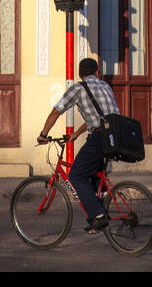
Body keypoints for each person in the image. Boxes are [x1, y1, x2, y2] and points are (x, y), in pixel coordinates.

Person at [38, 57, 120, 233]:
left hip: (99, 138)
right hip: (114, 137)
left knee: (76, 176)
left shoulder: (78, 88)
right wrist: (75, 134)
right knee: (93, 176)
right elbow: (99, 117)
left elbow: (56, 111)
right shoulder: (105, 86)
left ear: (79, 74)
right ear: (97, 72)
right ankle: (100, 205)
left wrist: (43, 134)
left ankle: (98, 214)